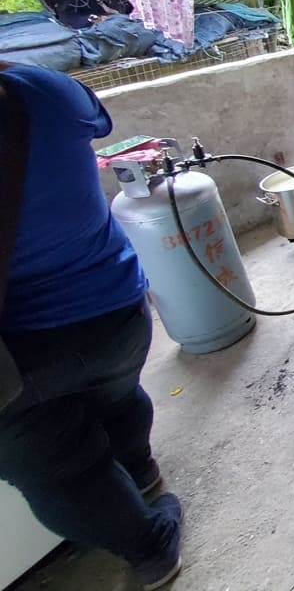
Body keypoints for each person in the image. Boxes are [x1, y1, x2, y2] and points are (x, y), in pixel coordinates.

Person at [0, 63, 182, 590]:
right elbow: (99, 120)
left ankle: (149, 547)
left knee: (63, 472)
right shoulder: (40, 89)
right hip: (113, 313)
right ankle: (139, 471)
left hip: (18, 359)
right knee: (118, 395)